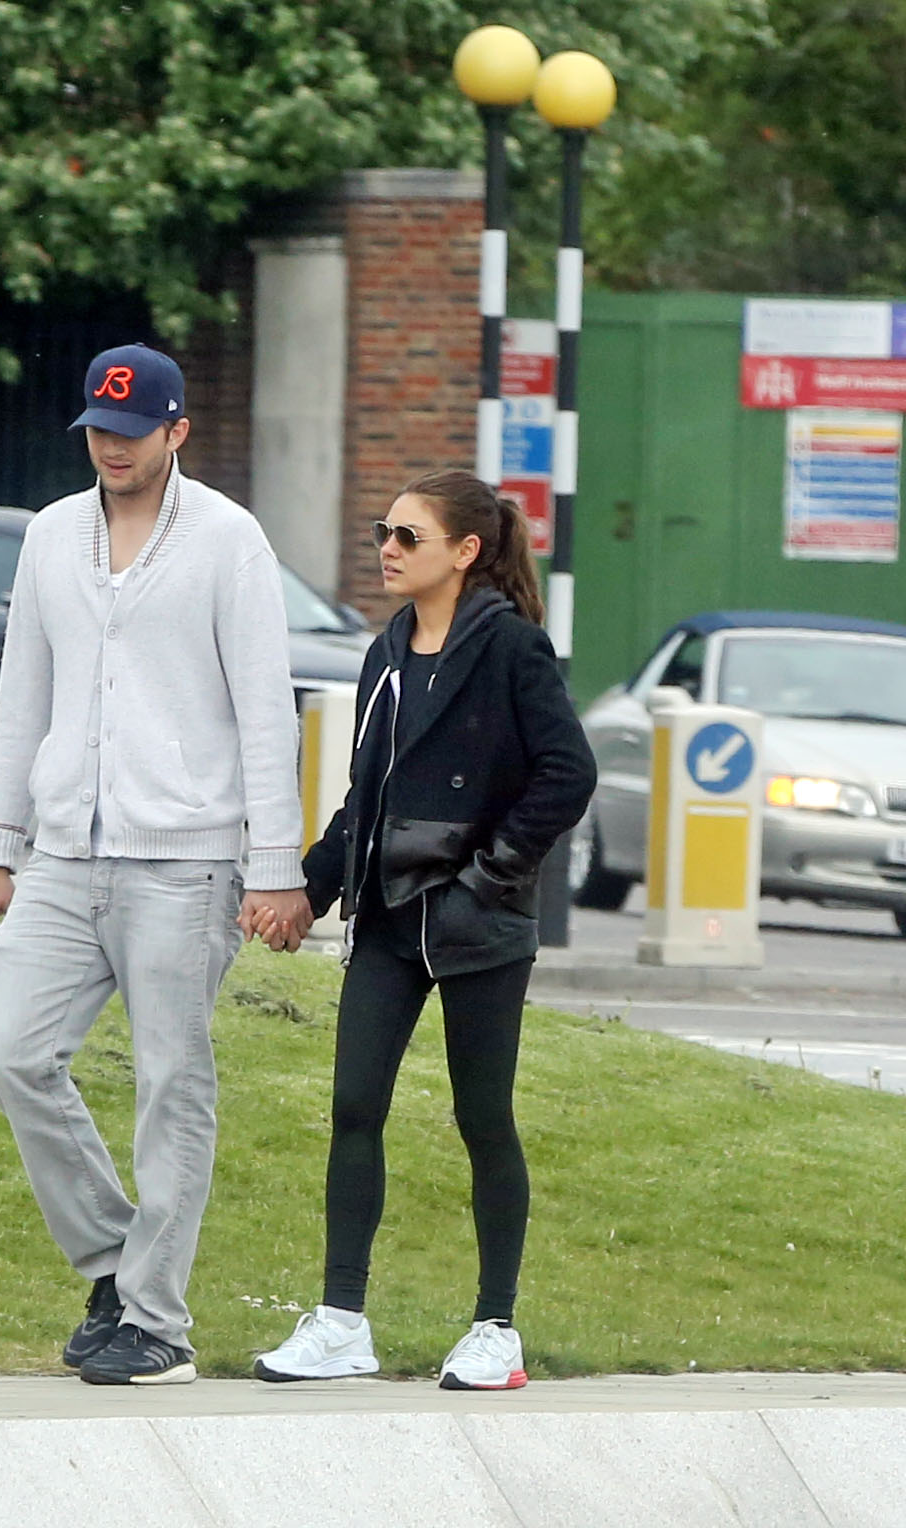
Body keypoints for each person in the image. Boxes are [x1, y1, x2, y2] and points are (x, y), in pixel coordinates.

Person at [0, 342, 311, 1387]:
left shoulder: (228, 541)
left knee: (173, 1081)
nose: (110, 446)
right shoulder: (46, 536)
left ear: (176, 431)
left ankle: (155, 1323)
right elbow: (21, 694)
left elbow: (266, 709)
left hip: (187, 862)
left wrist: (273, 864)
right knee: (12, 1054)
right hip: (65, 854)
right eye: (96, 430)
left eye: (131, 430)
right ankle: (117, 1263)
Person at [251, 468, 596, 1390]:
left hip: (478, 923)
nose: (388, 551)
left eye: (408, 537)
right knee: (354, 1107)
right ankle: (340, 1320)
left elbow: (568, 775)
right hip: (392, 920)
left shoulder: (515, 651)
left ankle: (496, 1329)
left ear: (465, 552)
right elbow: (366, 797)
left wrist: (487, 878)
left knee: (483, 1117)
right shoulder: (387, 653)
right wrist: (305, 891)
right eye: (383, 533)